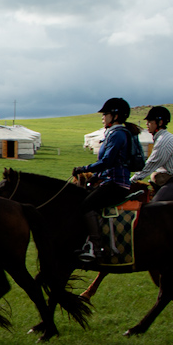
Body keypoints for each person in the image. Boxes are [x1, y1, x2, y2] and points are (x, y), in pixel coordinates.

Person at [71, 97, 141, 261]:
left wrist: (84, 169)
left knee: (86, 205)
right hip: (111, 181)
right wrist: (95, 177)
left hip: (115, 184)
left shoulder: (117, 134)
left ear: (115, 116)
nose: (103, 117)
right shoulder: (115, 133)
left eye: (105, 114)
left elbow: (107, 161)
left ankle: (96, 248)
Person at [133, 106, 173, 202]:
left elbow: (152, 163)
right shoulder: (166, 137)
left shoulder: (164, 141)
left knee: (154, 206)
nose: (147, 124)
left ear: (160, 123)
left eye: (150, 121)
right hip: (167, 178)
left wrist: (132, 180)